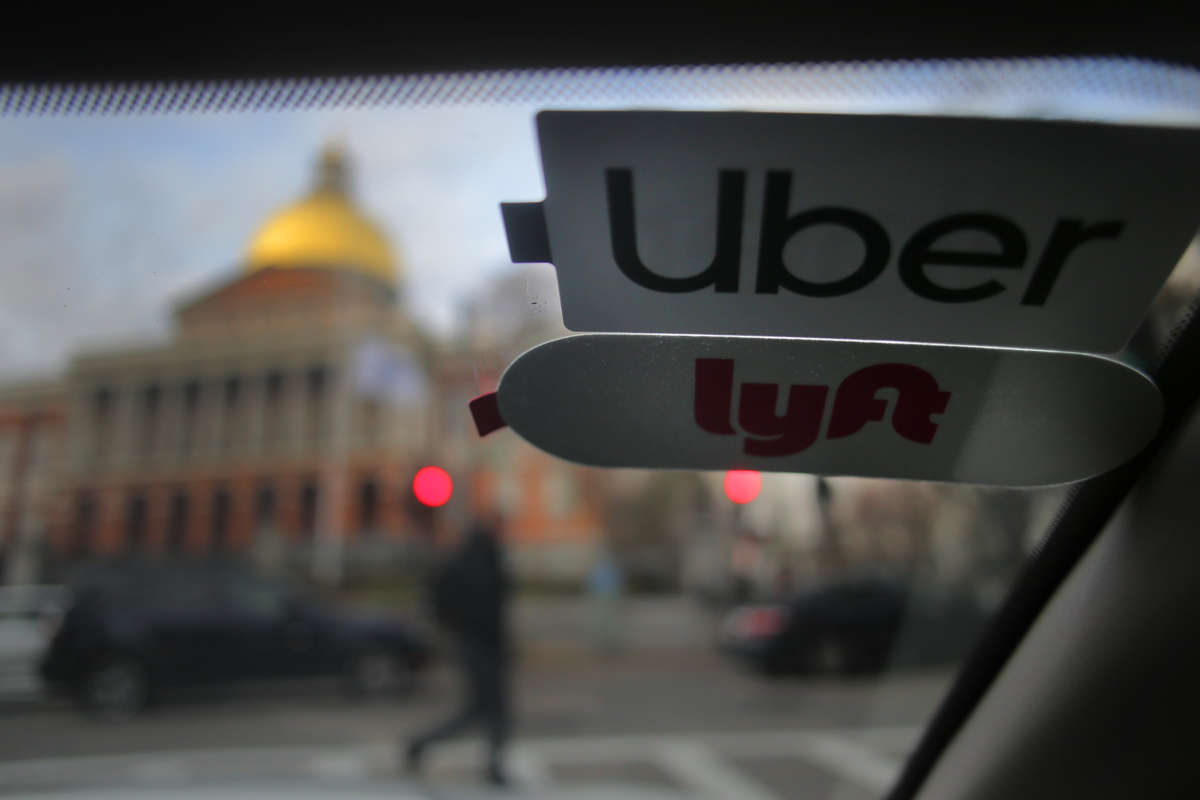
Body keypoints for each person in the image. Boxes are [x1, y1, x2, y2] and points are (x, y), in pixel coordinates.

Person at [405, 513, 511, 786]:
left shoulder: (466, 558)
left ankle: (491, 764)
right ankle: (425, 745)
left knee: (484, 710)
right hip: (485, 646)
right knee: (487, 711)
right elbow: (492, 609)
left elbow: (439, 599)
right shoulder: (486, 559)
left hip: (474, 645)